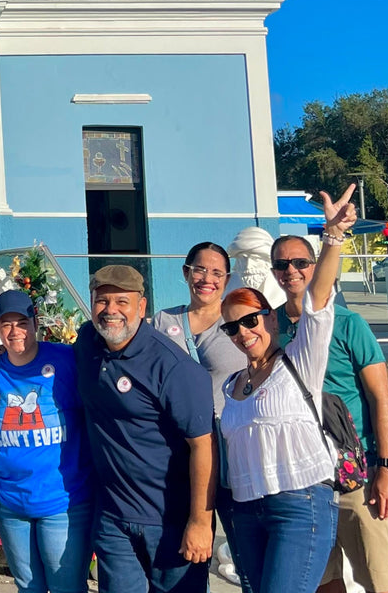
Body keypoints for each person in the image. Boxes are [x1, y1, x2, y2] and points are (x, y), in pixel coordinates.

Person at [219, 184, 358, 593]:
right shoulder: (233, 386)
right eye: (232, 327)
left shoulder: (299, 360)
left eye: (251, 320)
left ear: (272, 320)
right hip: (245, 511)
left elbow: (317, 305)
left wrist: (331, 238)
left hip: (299, 505)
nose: (243, 332)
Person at [270, 211, 388, 593]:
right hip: (305, 478)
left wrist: (387, 468)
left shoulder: (349, 324)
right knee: (323, 581)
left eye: (300, 262)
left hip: (356, 475)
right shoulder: (271, 328)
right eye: (282, 264)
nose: (291, 270)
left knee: (379, 579)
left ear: (315, 266)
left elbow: (381, 398)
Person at [75, 264, 214, 593]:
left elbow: (203, 446)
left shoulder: (174, 367)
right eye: (102, 301)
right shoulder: (87, 343)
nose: (111, 311)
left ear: (142, 306)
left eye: (122, 302)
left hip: (170, 521)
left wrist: (200, 522)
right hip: (113, 518)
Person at [152, 242, 249, 591]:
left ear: (227, 278)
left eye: (216, 272)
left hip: (231, 451)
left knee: (248, 553)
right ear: (186, 272)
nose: (207, 279)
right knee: (186, 554)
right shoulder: (162, 323)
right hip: (177, 455)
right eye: (199, 269)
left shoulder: (241, 322)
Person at [0, 289, 92, 593]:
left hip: (62, 501)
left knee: (66, 588)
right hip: (11, 502)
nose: (14, 331)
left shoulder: (65, 360)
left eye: (21, 322)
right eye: (6, 324)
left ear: (35, 323)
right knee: (27, 587)